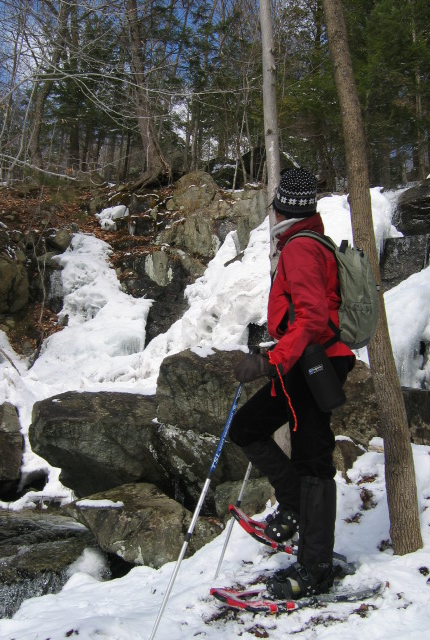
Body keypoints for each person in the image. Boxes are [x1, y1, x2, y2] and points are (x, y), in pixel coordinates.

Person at [229, 168, 355, 599]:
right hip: (302, 362)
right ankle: (295, 507)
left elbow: (315, 319)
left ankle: (316, 566)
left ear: (281, 207)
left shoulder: (301, 247)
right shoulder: (306, 240)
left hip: (313, 364)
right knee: (247, 426)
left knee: (313, 457)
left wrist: (270, 361)